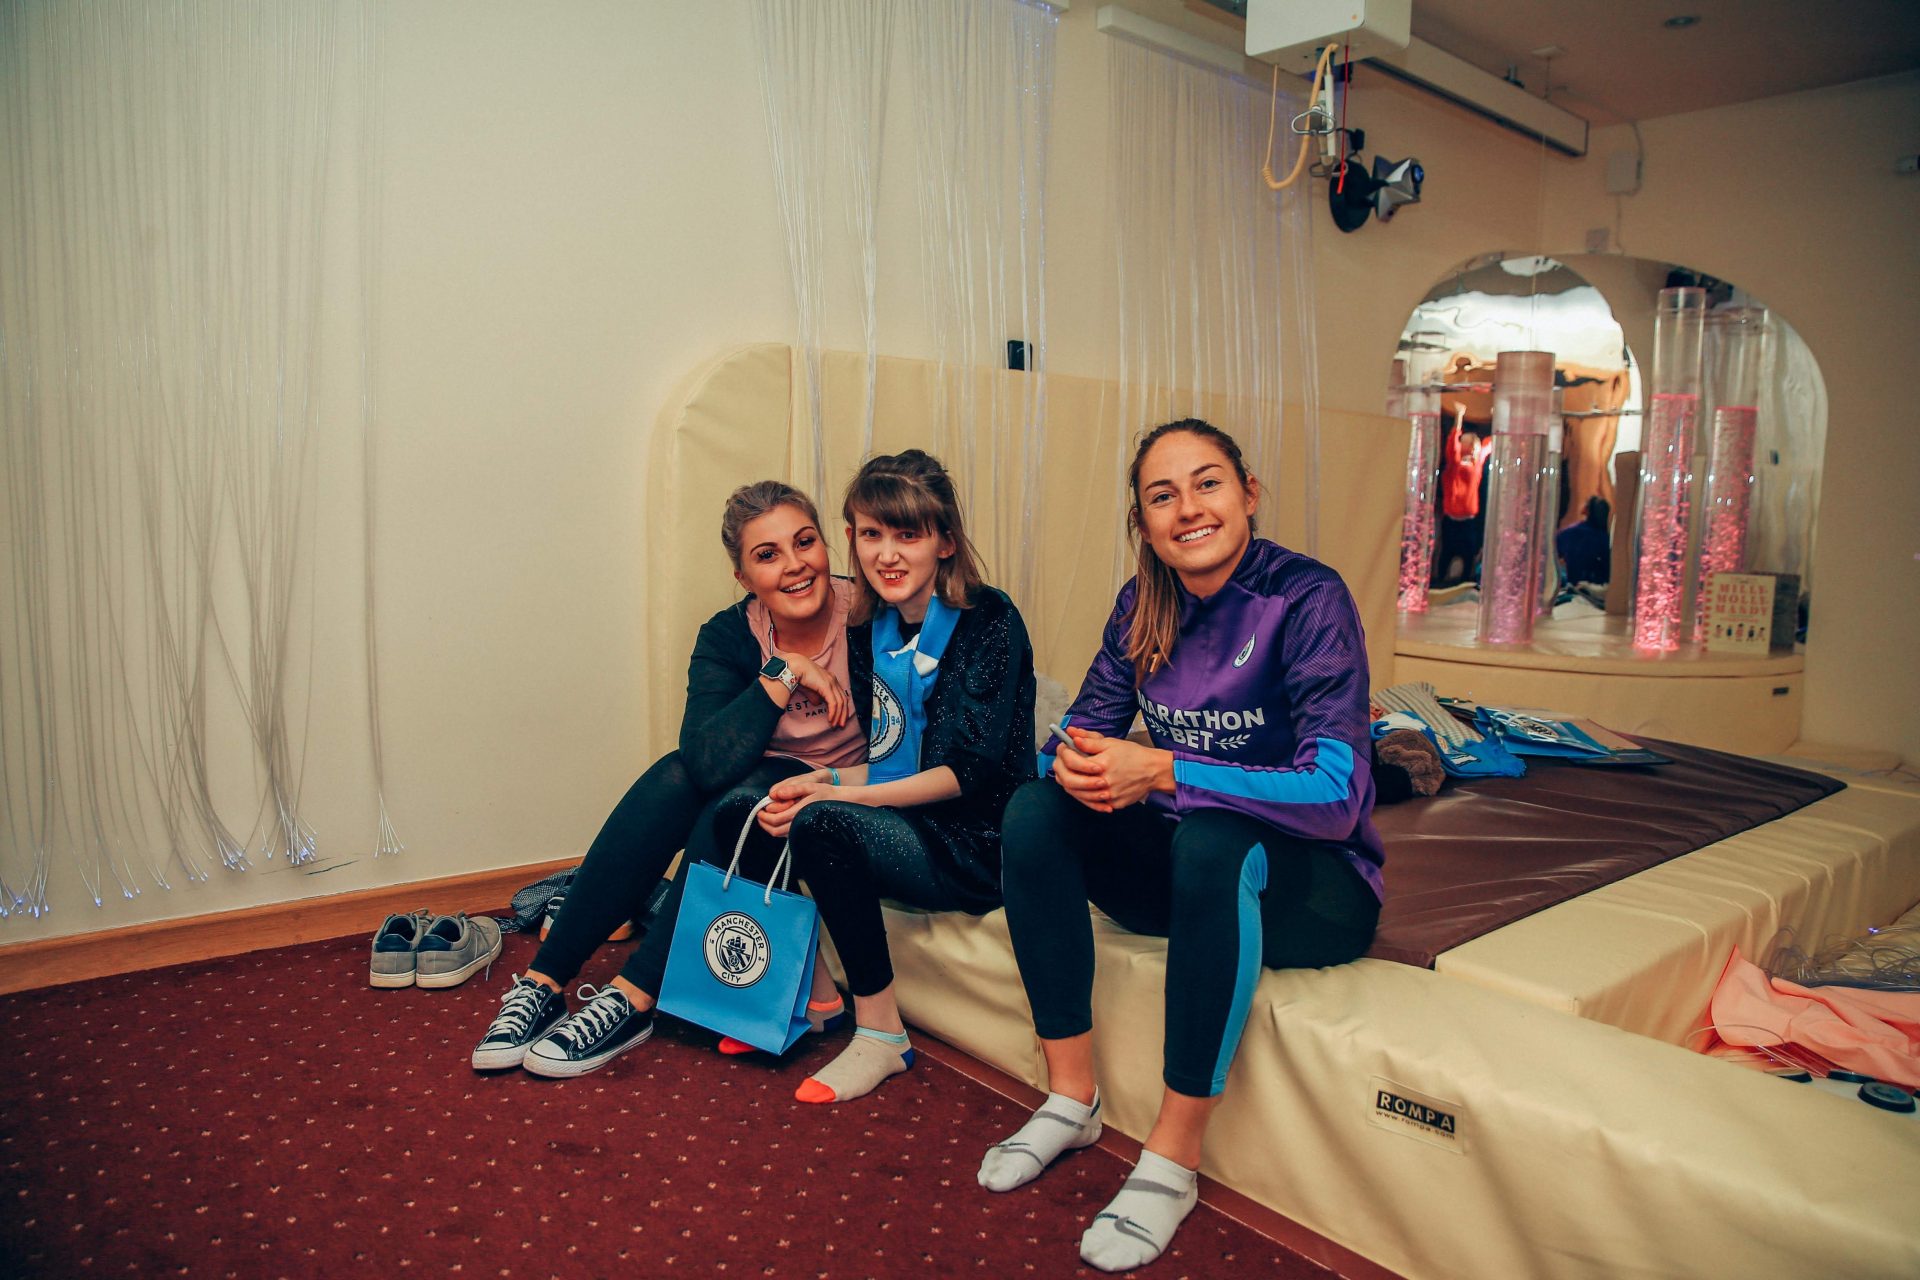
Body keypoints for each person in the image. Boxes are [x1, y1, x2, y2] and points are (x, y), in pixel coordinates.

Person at [980, 419, 1384, 1273]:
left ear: (1248, 496)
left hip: (1312, 890)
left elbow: (1335, 799)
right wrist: (1081, 768)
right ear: (1143, 521)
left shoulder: (1306, 598)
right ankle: (1071, 1096)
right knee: (1032, 810)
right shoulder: (1142, 603)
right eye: (1163, 496)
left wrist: (1163, 767)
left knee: (1209, 836)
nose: (1188, 509)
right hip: (1186, 872)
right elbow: (1075, 736)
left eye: (1208, 484)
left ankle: (1172, 1155)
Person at [469, 480, 863, 1077]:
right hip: (752, 779)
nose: (794, 565)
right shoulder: (729, 635)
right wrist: (785, 671)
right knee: (679, 778)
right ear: (744, 578)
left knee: (733, 804)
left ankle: (632, 997)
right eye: (768, 555)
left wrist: (830, 779)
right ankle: (541, 982)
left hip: (844, 784)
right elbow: (704, 760)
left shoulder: (869, 616)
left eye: (805, 542)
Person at [722, 449, 1037, 1106]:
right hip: (912, 818)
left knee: (823, 819)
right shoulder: (875, 626)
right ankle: (809, 995)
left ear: (945, 540)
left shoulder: (989, 620)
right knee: (761, 800)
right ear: (853, 539)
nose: (887, 555)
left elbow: (959, 775)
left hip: (981, 843)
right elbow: (899, 761)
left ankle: (882, 1034)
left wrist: (837, 793)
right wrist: (824, 778)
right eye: (871, 534)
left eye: (908, 534)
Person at [1556, 494, 1611, 585]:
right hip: (1601, 589)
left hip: (1574, 585)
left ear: (1586, 511)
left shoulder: (1570, 533)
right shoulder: (1607, 540)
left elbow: (1552, 553)